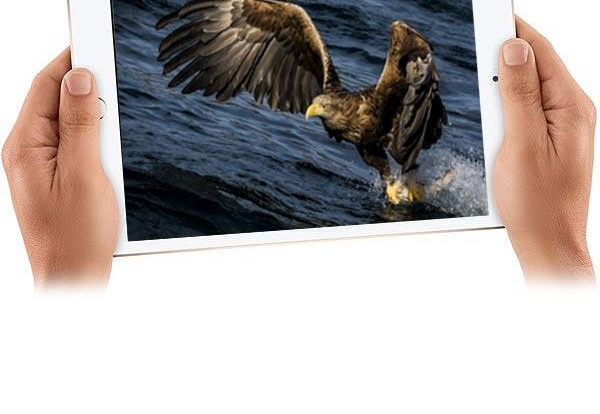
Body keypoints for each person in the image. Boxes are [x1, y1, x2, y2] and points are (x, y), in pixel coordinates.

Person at [1, 17, 596, 288]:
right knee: (282, 18)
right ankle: (399, 185)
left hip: (406, 131)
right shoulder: (328, 94)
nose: (312, 111)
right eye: (315, 108)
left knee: (403, 63)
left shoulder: (386, 90)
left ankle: (405, 179)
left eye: (320, 108)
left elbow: (415, 70)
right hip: (384, 154)